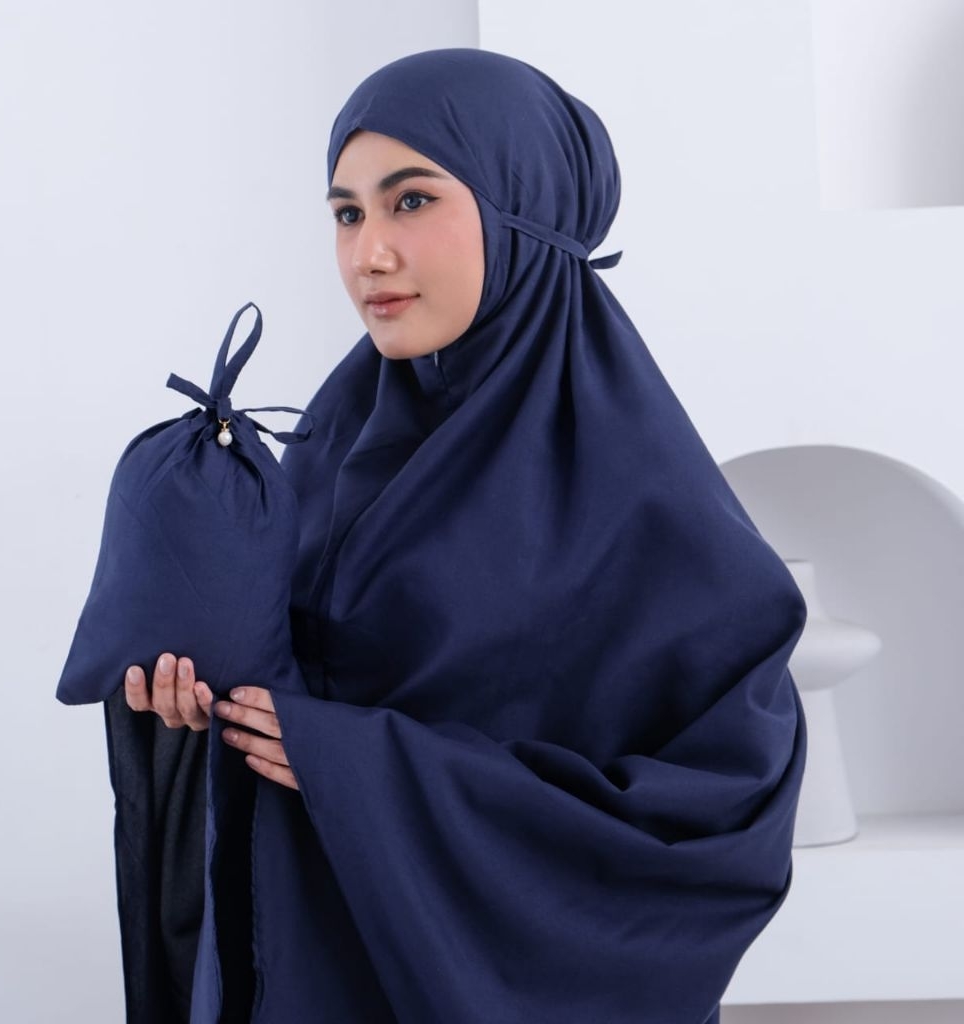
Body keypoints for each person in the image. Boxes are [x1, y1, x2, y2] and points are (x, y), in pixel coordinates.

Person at [122, 48, 806, 1024]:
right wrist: (195, 713)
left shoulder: (647, 503)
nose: (368, 255)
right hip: (318, 971)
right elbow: (281, 706)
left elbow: (718, 822)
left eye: (411, 201)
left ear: (519, 210)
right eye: (346, 213)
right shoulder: (325, 449)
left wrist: (363, 768)